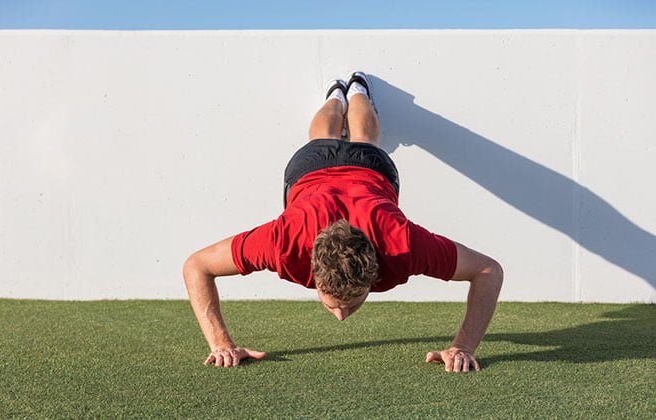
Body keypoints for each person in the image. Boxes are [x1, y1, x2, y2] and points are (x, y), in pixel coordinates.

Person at [183, 71, 503, 373]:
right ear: (312, 268)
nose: (340, 317)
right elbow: (196, 266)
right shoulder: (283, 242)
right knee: (326, 138)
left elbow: (489, 271)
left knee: (364, 139)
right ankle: (337, 94)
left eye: (352, 303)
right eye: (336, 304)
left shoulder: (400, 244)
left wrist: (464, 347)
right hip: (312, 172)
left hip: (369, 173)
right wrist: (220, 343)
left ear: (376, 269)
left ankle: (357, 88)